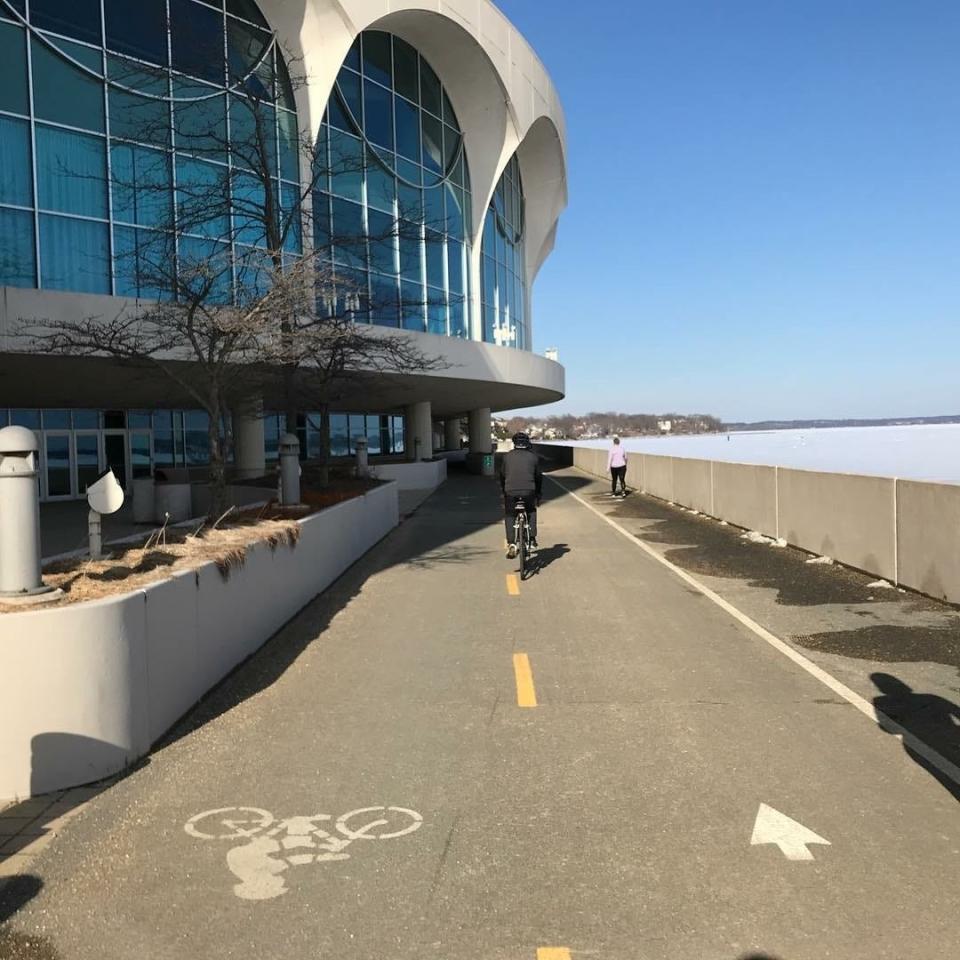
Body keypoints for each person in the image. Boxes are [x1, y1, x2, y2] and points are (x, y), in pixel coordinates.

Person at [498, 432, 542, 558]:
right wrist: (538, 494)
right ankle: (532, 538)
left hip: (510, 491)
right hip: (529, 491)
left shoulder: (507, 457)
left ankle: (511, 543)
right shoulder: (533, 457)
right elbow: (538, 477)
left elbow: (502, 475)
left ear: (514, 443)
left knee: (510, 514)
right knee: (531, 510)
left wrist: (504, 489)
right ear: (527, 443)